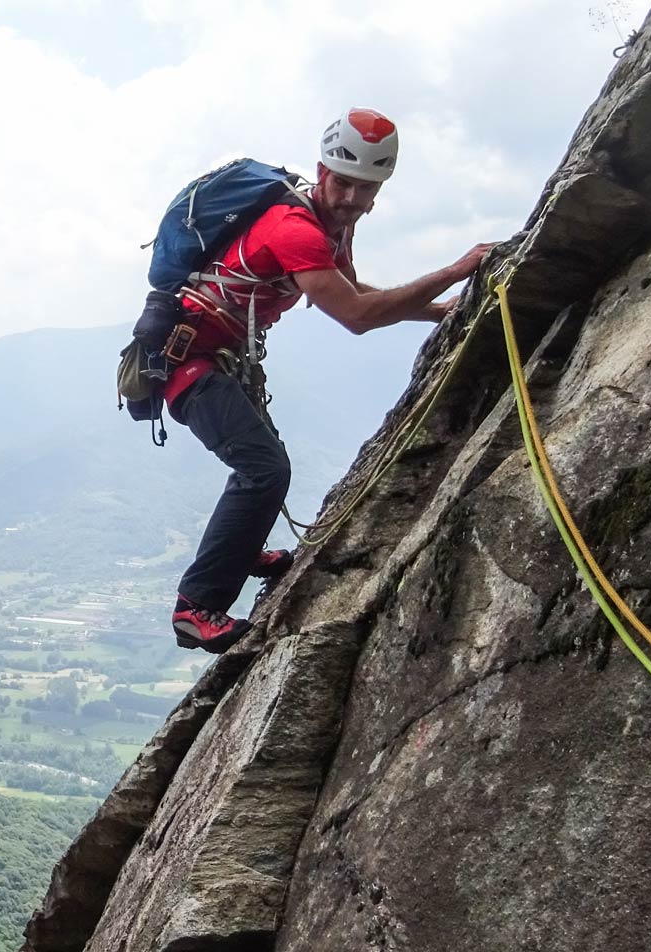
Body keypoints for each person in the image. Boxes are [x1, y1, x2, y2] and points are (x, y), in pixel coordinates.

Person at [167, 108, 493, 653]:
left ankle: (240, 551)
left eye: (364, 188)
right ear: (321, 173)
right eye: (342, 182)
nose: (350, 197)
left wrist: (439, 311)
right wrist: (454, 271)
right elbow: (356, 315)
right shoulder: (293, 228)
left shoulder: (333, 231)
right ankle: (194, 607)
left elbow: (354, 292)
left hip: (218, 359)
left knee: (264, 463)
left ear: (377, 193)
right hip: (185, 361)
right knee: (264, 468)